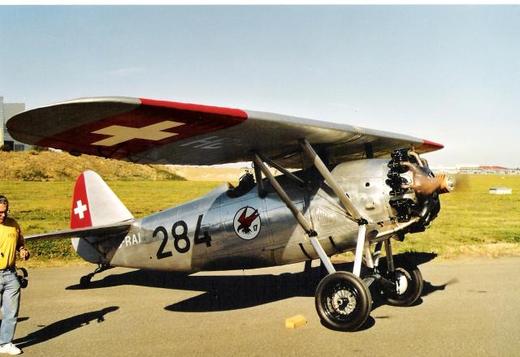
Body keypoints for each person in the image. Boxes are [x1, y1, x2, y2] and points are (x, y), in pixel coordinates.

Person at [0, 195, 29, 355]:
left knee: (11, 312)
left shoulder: (13, 224)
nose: (3, 215)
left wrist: (23, 250)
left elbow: (20, 243)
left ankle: (5, 343)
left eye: (5, 211)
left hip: (11, 274)